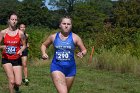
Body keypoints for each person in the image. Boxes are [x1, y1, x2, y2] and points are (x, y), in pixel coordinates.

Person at [41, 16, 87, 93]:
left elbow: (84, 50)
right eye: (64, 23)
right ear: (60, 25)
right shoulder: (53, 37)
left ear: (71, 26)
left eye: (68, 24)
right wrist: (43, 53)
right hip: (57, 67)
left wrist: (82, 53)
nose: (66, 26)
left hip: (71, 69)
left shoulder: (75, 37)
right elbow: (44, 45)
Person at [0, 13, 26, 93]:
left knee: (18, 82)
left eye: (15, 20)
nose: (14, 21)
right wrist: (2, 47)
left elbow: (24, 45)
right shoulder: (3, 32)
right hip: (6, 59)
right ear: (9, 20)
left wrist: (20, 51)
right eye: (12, 19)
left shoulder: (20, 33)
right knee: (11, 80)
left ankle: (16, 87)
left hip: (16, 59)